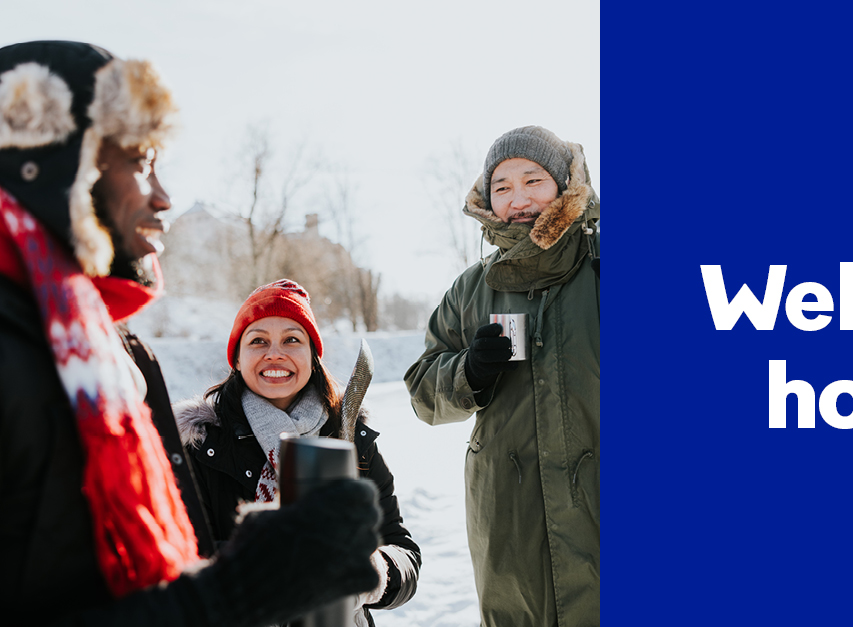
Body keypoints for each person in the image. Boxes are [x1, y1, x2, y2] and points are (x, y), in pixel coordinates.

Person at [0, 40, 382, 626]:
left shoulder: (113, 354)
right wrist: (236, 592)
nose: (163, 198)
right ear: (51, 163)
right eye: (140, 160)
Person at [405, 126, 600, 626]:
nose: (518, 199)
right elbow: (423, 390)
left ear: (563, 184)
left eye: (533, 181)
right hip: (509, 511)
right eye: (503, 186)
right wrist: (467, 372)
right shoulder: (473, 288)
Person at [174, 279, 421, 625]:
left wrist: (373, 572)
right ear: (238, 358)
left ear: (312, 355)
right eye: (258, 340)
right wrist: (268, 566)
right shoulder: (198, 445)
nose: (275, 353)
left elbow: (403, 550)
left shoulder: (350, 436)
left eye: (292, 339)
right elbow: (174, 558)